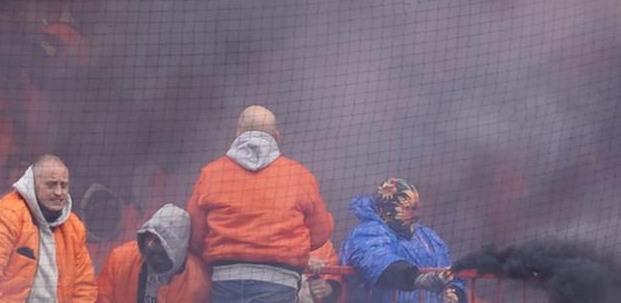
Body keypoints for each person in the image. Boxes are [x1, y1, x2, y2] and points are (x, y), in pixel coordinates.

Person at [184, 108, 331, 303]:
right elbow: (320, 232)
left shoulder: (211, 173)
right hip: (280, 283)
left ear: (238, 134)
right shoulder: (300, 176)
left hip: (224, 283)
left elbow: (194, 234)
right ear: (276, 137)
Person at [0, 156, 97, 303]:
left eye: (64, 185)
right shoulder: (2, 217)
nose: (59, 192)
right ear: (32, 185)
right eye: (51, 185)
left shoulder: (74, 227)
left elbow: (85, 289)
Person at [341, 181, 459, 303]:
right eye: (408, 208)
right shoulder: (366, 233)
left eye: (416, 208)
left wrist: (453, 293)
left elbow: (452, 274)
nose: (416, 214)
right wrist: (417, 279)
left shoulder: (428, 237)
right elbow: (378, 262)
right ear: (386, 209)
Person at [99, 206, 203, 303]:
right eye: (149, 236)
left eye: (158, 241)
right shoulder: (120, 260)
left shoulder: (198, 282)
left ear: (176, 249)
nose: (149, 245)